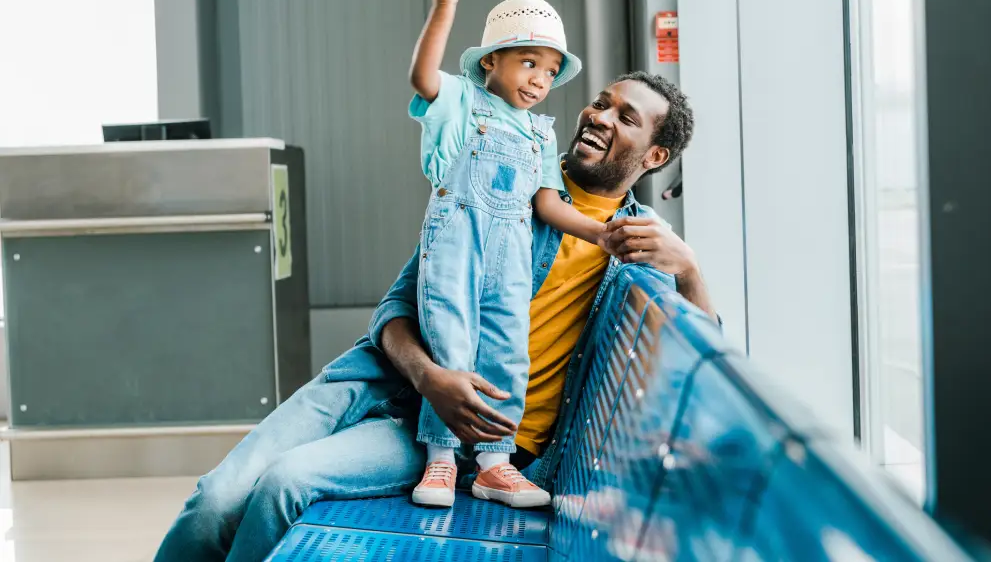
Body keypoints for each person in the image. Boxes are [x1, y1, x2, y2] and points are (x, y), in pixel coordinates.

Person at [154, 69, 713, 562]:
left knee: (284, 483)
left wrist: (689, 269)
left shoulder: (637, 247)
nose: (598, 115)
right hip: (382, 382)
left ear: (655, 156)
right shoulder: (501, 173)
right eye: (600, 101)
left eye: (625, 116)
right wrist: (429, 377)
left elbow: (703, 364)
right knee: (215, 499)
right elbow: (396, 309)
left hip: (467, 441)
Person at [405, 0, 608, 509]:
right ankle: (442, 460)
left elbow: (545, 202)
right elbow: (423, 78)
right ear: (490, 61)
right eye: (527, 63)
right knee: (451, 340)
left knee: (506, 348)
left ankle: (494, 463)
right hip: (457, 240)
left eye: (549, 70)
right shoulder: (461, 103)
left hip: (513, 252)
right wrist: (444, 4)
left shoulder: (541, 132)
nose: (539, 79)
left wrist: (600, 233)